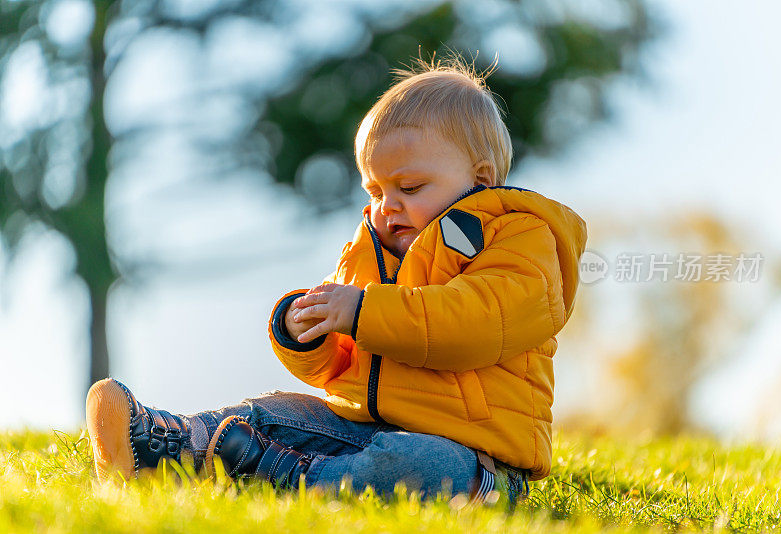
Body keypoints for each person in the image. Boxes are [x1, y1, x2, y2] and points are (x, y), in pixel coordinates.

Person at [85, 57, 588, 505]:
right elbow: (338, 367)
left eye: (408, 187)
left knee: (416, 465)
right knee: (275, 411)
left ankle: (280, 473)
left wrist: (364, 312)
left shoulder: (519, 240)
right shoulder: (370, 250)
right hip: (362, 428)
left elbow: (476, 321)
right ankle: (162, 442)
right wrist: (303, 331)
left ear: (478, 181)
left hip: (475, 458)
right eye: (375, 189)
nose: (387, 206)